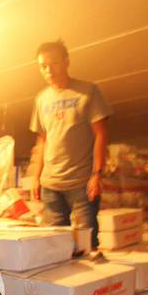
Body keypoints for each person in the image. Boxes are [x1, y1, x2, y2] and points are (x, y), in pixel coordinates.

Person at [29, 39, 112, 249]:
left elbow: (101, 134)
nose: (49, 70)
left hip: (81, 183)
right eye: (43, 66)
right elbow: (42, 140)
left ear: (66, 62)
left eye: (54, 63)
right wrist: (35, 178)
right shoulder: (41, 99)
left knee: (86, 246)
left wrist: (97, 174)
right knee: (55, 247)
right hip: (50, 185)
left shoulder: (88, 91)